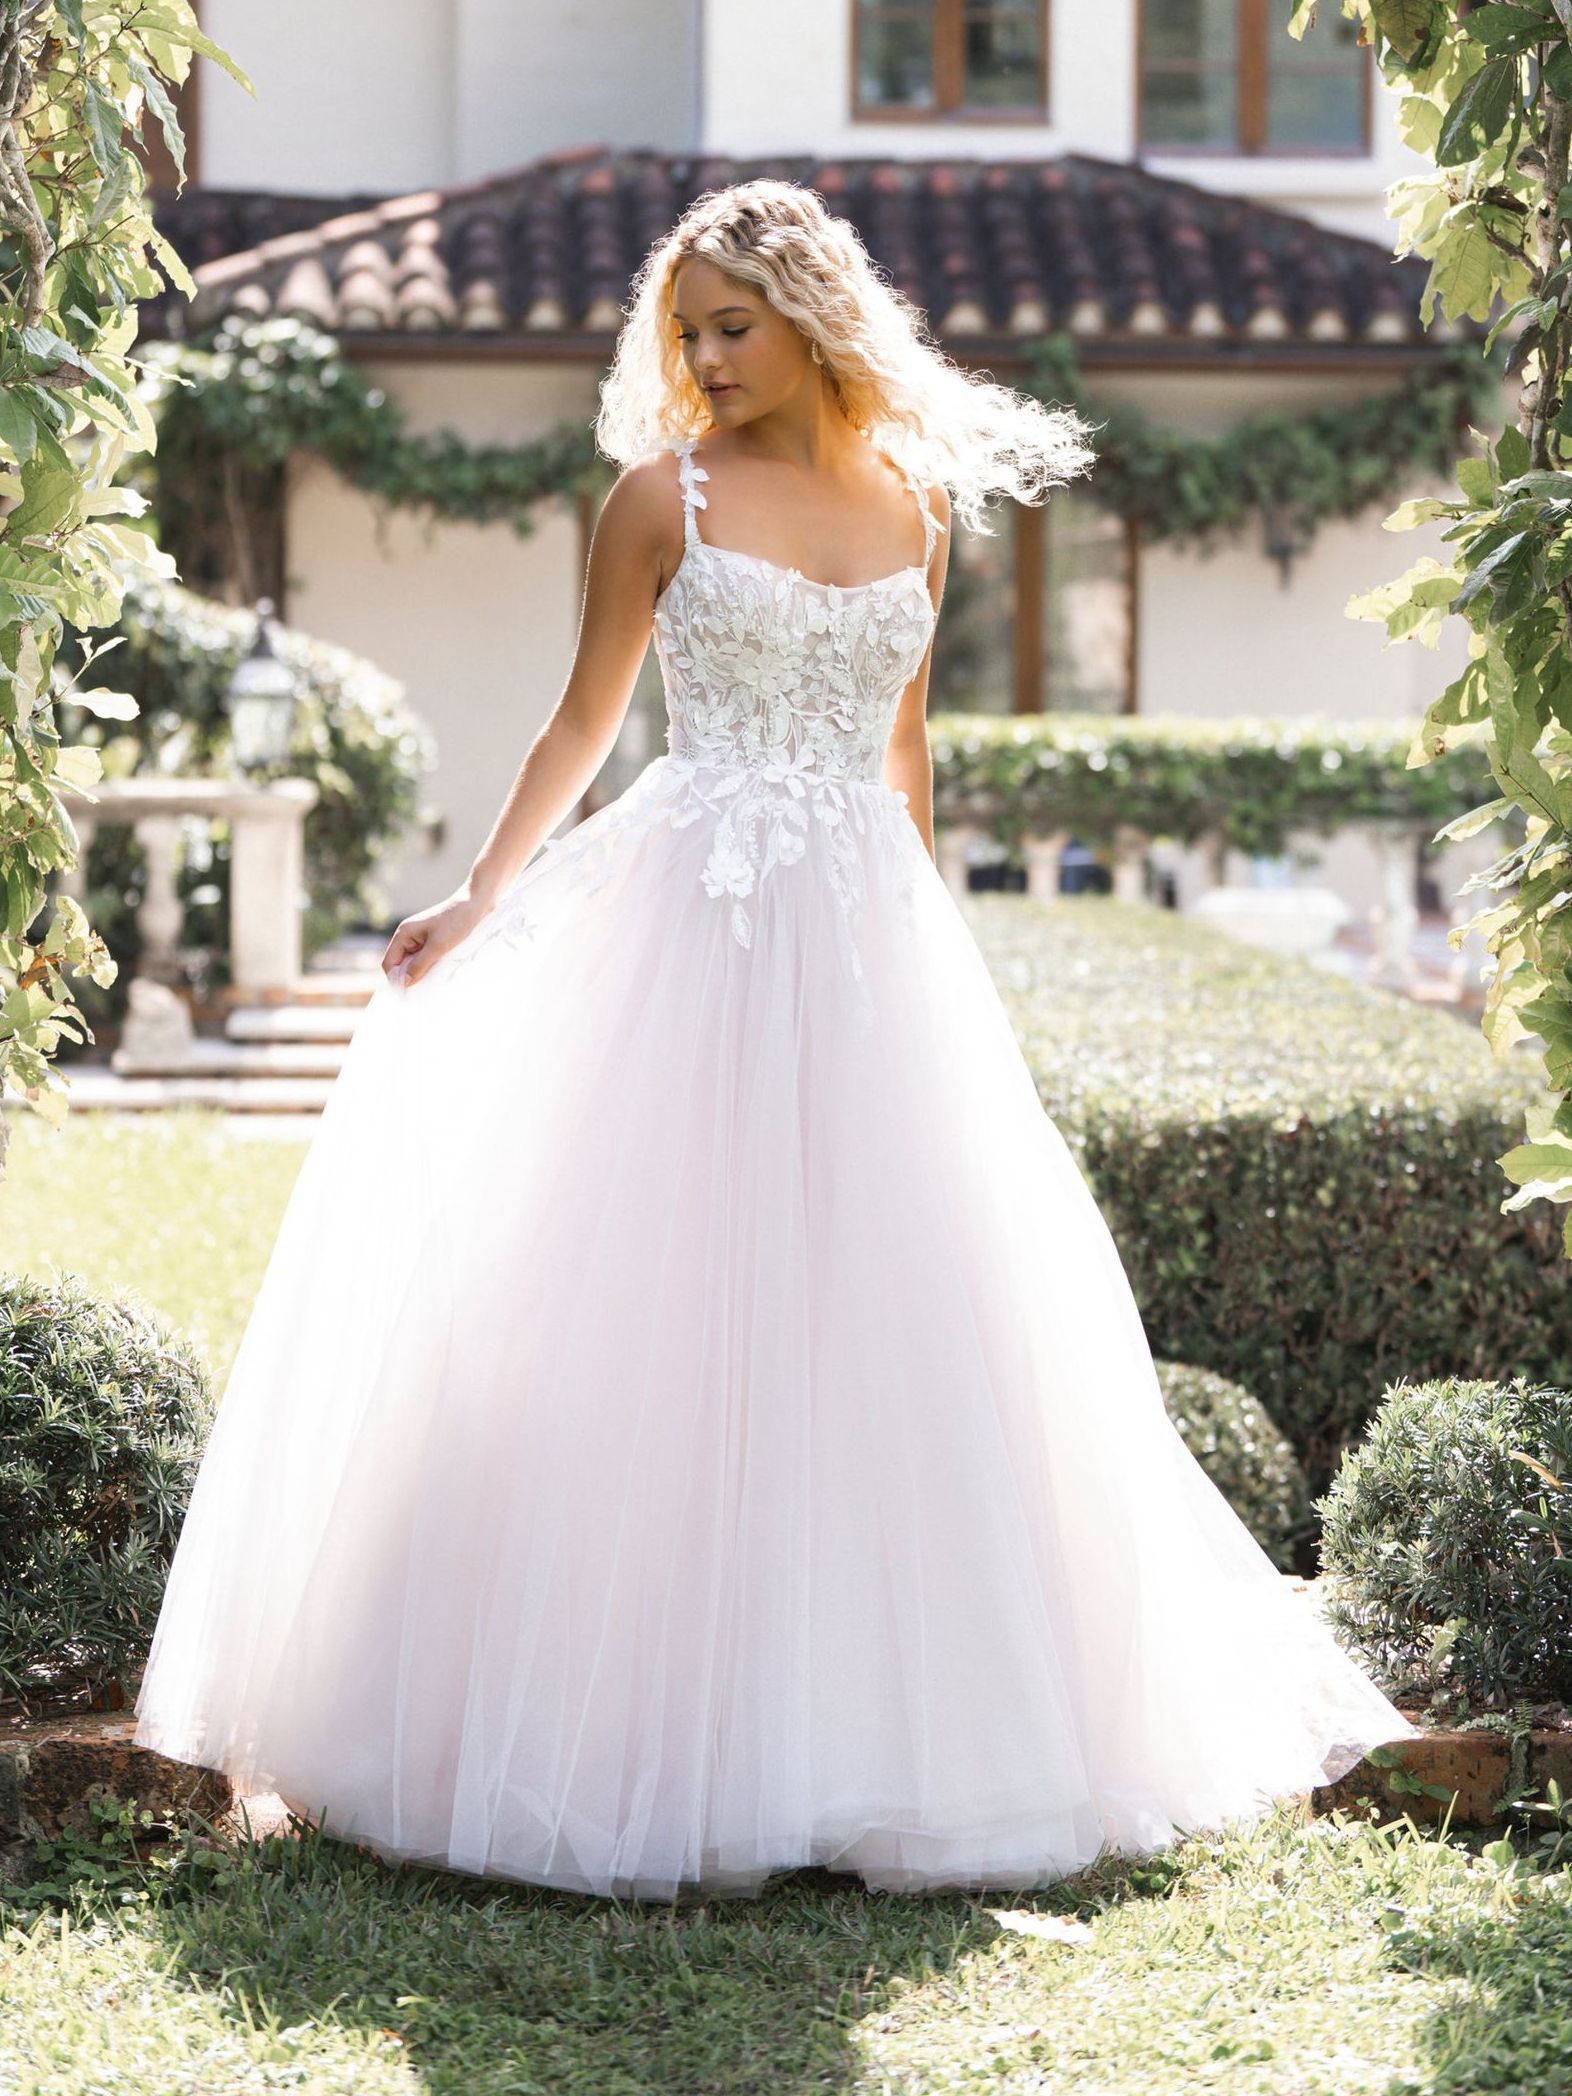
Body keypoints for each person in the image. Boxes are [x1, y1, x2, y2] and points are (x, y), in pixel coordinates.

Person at [132, 178, 1419, 1901]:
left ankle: (880, 1731)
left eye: (731, 326)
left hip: (872, 936)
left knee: (894, 1310)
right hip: (690, 919)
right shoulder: (655, 498)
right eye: (686, 334)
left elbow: (910, 754)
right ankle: (608, 1718)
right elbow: (586, 720)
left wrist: (934, 914)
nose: (705, 361)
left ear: (814, 315)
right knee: (645, 1300)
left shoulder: (917, 503)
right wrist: (482, 897)